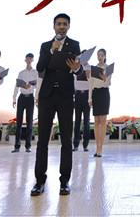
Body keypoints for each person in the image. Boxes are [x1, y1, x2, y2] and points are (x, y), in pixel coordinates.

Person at [31, 12, 82, 197]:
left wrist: (77, 68)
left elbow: (79, 70)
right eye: (58, 23)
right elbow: (40, 67)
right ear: (53, 26)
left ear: (68, 26)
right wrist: (52, 51)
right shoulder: (46, 45)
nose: (61, 26)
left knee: (66, 140)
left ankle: (64, 181)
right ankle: (39, 181)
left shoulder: (74, 45)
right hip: (47, 95)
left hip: (66, 96)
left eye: (64, 24)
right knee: (43, 139)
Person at [12, 53, 37, 153]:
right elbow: (17, 85)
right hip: (21, 97)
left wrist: (31, 87)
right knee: (19, 122)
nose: (29, 60)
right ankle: (17, 146)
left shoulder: (35, 72)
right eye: (27, 58)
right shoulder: (21, 73)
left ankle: (28, 146)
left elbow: (37, 85)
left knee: (29, 122)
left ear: (32, 60)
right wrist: (14, 98)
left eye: (30, 58)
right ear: (25, 60)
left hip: (30, 97)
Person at [89, 48, 111, 157]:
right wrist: (89, 98)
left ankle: (100, 148)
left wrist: (104, 78)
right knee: (96, 121)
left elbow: (108, 82)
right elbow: (91, 84)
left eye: (102, 55)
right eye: (98, 55)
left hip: (104, 93)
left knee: (103, 121)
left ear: (105, 56)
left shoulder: (108, 68)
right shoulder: (94, 68)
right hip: (96, 94)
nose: (100, 57)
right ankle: (97, 146)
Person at [73, 57, 92, 153]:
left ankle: (85, 145)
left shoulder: (90, 68)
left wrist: (91, 98)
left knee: (86, 122)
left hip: (87, 95)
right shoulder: (77, 67)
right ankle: (75, 144)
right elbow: (73, 81)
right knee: (77, 120)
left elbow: (92, 83)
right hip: (77, 95)